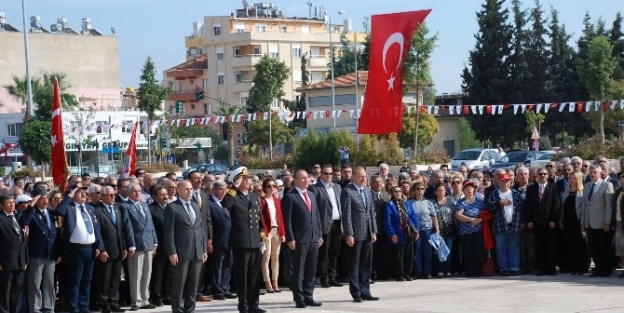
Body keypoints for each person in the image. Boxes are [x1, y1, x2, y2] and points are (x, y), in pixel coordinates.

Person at [56, 182, 104, 313]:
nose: (84, 194)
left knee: (87, 280)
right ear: (73, 194)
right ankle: (74, 307)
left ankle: (84, 306)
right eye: (79, 192)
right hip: (75, 249)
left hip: (90, 248)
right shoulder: (70, 207)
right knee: (75, 280)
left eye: (85, 192)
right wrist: (69, 195)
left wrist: (99, 246)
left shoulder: (89, 208)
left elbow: (96, 229)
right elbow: (59, 211)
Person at [224, 167, 266, 313]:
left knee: (255, 275)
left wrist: (261, 236)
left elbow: (259, 218)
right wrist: (234, 186)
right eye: (245, 179)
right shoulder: (234, 196)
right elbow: (226, 204)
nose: (248, 181)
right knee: (242, 275)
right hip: (240, 242)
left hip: (254, 241)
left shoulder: (254, 197)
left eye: (248, 178)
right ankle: (243, 305)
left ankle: (254, 304)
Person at [163, 180, 208, 313]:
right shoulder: (172, 207)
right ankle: (177, 309)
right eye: (187, 189)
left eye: (191, 189)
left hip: (197, 250)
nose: (190, 192)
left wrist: (204, 248)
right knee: (179, 282)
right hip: (181, 251)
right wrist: (172, 252)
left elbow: (200, 228)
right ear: (179, 191)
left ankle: (190, 309)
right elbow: (169, 232)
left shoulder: (194, 206)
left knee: (193, 284)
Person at [281, 170, 323, 308]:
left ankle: (308, 296)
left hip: (313, 238)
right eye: (303, 178)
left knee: (311, 269)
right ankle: (299, 298)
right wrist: (290, 238)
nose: (306, 180)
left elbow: (316, 216)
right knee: (298, 270)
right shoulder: (290, 197)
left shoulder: (311, 194)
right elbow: (287, 221)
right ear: (296, 180)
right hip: (299, 239)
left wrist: (319, 235)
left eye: (308, 178)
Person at [340, 166, 379, 303]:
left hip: (368, 232)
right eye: (361, 176)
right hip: (356, 234)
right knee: (355, 264)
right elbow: (346, 215)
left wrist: (374, 230)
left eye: (365, 176)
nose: (364, 178)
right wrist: (349, 234)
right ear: (354, 177)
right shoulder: (347, 192)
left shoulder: (368, 192)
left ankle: (365, 290)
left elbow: (371, 213)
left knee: (366, 264)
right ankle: (356, 292)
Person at [21, 187, 60, 313]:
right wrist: (31, 205)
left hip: (50, 253)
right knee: (35, 284)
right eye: (41, 197)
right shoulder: (31, 213)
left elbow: (56, 233)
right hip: (36, 254)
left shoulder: (50, 212)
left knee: (49, 283)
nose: (45, 200)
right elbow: (24, 222)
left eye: (46, 197)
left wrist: (59, 252)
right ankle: (35, 309)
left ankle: (48, 308)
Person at [120, 182, 158, 310]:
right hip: (137, 243)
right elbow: (128, 227)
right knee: (136, 273)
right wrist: (131, 245)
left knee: (147, 272)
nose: (137, 194)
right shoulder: (126, 206)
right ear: (129, 193)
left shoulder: (144, 205)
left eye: (139, 191)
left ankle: (145, 298)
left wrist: (155, 241)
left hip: (148, 242)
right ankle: (136, 300)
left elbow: (151, 225)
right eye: (134, 191)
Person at [95, 185, 133, 313]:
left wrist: (124, 247)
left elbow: (121, 230)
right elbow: (98, 231)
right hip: (106, 250)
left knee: (116, 277)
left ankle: (114, 302)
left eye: (114, 195)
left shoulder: (117, 208)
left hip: (118, 249)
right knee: (105, 278)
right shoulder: (98, 210)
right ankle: (104, 303)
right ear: (103, 196)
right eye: (110, 195)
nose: (113, 197)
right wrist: (101, 249)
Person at [486, 173, 524, 276]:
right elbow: (488, 207)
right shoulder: (494, 194)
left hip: (514, 224)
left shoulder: (516, 193)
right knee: (501, 248)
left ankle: (514, 268)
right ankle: (504, 268)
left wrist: (522, 222)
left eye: (507, 181)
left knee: (514, 247)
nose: (505, 183)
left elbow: (521, 209)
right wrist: (499, 203)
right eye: (503, 181)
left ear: (510, 182)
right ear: (498, 182)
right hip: (500, 225)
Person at [580, 165, 615, 277]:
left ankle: (606, 270)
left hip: (602, 223)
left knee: (604, 248)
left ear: (600, 173)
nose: (593, 174)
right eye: (591, 172)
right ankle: (598, 269)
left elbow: (609, 206)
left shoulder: (607, 185)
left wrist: (607, 222)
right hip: (590, 223)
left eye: (595, 172)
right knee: (593, 248)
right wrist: (583, 222)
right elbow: (585, 206)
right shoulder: (587, 186)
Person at [311, 165, 343, 288]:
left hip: (337, 222)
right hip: (324, 224)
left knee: (334, 252)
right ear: (321, 175)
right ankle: (324, 278)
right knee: (324, 253)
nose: (329, 176)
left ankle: (333, 277)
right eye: (326, 173)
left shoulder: (337, 187)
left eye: (331, 174)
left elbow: (340, 205)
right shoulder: (315, 189)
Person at [525, 167, 561, 276]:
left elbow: (557, 205)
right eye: (540, 174)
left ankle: (551, 268)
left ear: (548, 175)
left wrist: (554, 220)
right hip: (536, 222)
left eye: (544, 174)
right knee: (538, 246)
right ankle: (541, 268)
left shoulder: (553, 187)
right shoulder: (531, 188)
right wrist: (529, 220)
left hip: (549, 222)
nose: (542, 176)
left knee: (550, 246)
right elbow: (528, 206)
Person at [187, 171, 213, 302]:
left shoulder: (203, 194)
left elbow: (207, 217)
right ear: (190, 180)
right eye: (196, 178)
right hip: (190, 236)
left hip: (203, 235)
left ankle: (199, 292)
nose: (199, 180)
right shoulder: (187, 196)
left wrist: (210, 238)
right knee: (191, 265)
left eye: (200, 178)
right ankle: (189, 292)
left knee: (202, 264)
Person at [384, 186, 419, 281]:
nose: (398, 193)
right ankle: (399, 274)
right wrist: (392, 234)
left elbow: (414, 216)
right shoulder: (389, 205)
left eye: (400, 191)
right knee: (398, 255)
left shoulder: (407, 204)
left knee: (409, 254)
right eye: (396, 191)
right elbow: (387, 221)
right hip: (397, 233)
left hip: (408, 232)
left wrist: (416, 230)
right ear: (392, 193)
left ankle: (407, 273)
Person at [0, 194, 28, 313]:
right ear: (1, 206)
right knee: (5, 291)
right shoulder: (1, 219)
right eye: (9, 202)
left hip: (20, 261)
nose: (12, 205)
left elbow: (23, 240)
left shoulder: (16, 217)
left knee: (17, 290)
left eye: (13, 202)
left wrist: (25, 259)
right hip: (6, 262)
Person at [208, 181, 235, 300]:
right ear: (214, 190)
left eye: (225, 189)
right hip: (218, 239)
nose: (224, 192)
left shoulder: (226, 203)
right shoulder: (209, 203)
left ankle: (225, 288)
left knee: (228, 264)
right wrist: (210, 240)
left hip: (230, 239)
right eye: (221, 189)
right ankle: (217, 289)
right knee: (217, 265)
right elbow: (209, 223)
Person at [258, 177, 285, 293]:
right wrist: (263, 234)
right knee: (266, 257)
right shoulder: (261, 201)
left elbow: (280, 218)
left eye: (273, 186)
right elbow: (261, 218)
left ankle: (275, 281)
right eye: (269, 186)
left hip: (276, 230)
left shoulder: (277, 201)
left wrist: (283, 233)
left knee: (276, 257)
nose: (272, 188)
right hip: (267, 232)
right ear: (265, 188)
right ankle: (267, 282)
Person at [454, 179, 485, 277]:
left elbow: (485, 213)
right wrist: (471, 219)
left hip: (478, 230)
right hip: (465, 232)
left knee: (478, 251)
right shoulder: (461, 202)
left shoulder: (480, 200)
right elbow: (458, 215)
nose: (469, 190)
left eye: (471, 188)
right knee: (467, 252)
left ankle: (477, 270)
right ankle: (469, 271)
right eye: (467, 188)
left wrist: (480, 220)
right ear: (463, 190)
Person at [409, 181, 440, 279]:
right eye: (418, 189)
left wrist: (437, 230)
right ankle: (418, 271)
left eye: (422, 189)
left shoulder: (428, 202)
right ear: (414, 191)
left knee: (428, 251)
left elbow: (434, 216)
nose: (420, 191)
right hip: (416, 230)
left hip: (428, 229)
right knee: (417, 251)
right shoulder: (410, 203)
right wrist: (413, 230)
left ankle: (427, 271)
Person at [560, 172, 587, 275]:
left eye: (574, 178)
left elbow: (584, 209)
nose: (572, 180)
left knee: (579, 245)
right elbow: (562, 208)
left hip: (578, 221)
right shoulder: (565, 193)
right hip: (567, 222)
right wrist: (561, 220)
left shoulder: (581, 192)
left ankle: (581, 267)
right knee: (569, 245)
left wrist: (582, 223)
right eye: (570, 178)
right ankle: (572, 267)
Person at [149, 186, 172, 306]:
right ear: (154, 196)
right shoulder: (151, 209)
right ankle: (156, 296)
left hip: (170, 245)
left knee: (168, 271)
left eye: (166, 194)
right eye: (162, 195)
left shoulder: (169, 207)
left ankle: (166, 294)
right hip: (159, 245)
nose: (166, 197)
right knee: (158, 271)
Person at [431, 183, 456, 277]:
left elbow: (455, 214)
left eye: (443, 190)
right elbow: (433, 217)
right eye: (439, 190)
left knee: (448, 251)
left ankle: (447, 270)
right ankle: (440, 270)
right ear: (435, 192)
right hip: (438, 230)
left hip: (450, 229)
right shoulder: (432, 202)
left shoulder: (451, 200)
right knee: (440, 251)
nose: (441, 192)